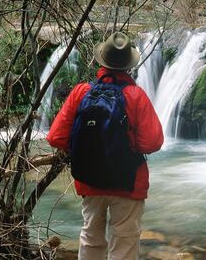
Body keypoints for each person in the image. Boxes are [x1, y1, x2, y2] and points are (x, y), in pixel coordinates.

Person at [46, 32, 164, 260]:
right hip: (128, 183)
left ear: (101, 61)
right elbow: (153, 141)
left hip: (89, 180)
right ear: (128, 67)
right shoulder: (135, 95)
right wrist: (127, 146)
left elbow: (55, 137)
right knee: (124, 241)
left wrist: (87, 148)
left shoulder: (82, 92)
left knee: (91, 237)